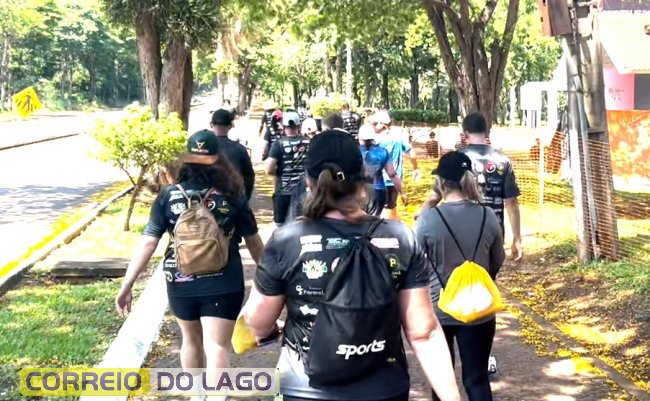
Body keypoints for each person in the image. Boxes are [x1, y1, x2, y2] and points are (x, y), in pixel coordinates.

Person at [241, 131, 462, 401]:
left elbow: (257, 322)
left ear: (309, 181)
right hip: (383, 389)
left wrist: (269, 329)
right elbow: (424, 332)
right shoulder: (399, 237)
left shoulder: (286, 241)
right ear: (363, 179)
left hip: (303, 388)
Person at [115, 130, 264, 401]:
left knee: (191, 340)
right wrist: (269, 283)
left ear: (187, 159)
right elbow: (254, 243)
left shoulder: (168, 196)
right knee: (217, 345)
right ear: (219, 159)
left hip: (180, 280)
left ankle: (196, 397)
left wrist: (127, 284)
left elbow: (148, 242)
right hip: (224, 280)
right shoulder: (233, 195)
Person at [414, 151, 505, 401]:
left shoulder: (429, 218)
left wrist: (430, 203)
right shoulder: (487, 215)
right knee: (477, 379)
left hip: (439, 309)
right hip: (479, 309)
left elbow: (415, 261)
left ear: (441, 182)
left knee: (441, 382)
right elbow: (498, 259)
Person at [372, 110, 421, 221]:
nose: (373, 126)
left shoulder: (376, 140)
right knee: (391, 207)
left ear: (383, 125)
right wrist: (415, 168)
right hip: (395, 181)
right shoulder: (398, 137)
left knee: (382, 211)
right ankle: (393, 228)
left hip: (380, 180)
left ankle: (385, 229)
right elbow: (411, 151)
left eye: (375, 124)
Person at [265, 111, 311, 226]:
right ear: (299, 125)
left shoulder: (278, 144)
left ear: (283, 126)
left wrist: (280, 172)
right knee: (304, 226)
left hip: (283, 192)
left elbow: (269, 169)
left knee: (281, 227)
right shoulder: (309, 142)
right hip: (304, 192)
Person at [209, 110, 255, 200]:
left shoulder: (204, 149)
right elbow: (249, 177)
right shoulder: (240, 149)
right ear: (230, 126)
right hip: (232, 199)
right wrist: (245, 198)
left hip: (208, 200)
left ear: (211, 125)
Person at [359, 124, 402, 216]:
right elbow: (392, 174)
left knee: (360, 220)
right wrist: (401, 191)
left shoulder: (355, 151)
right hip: (379, 190)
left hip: (360, 191)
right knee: (375, 219)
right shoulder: (383, 151)